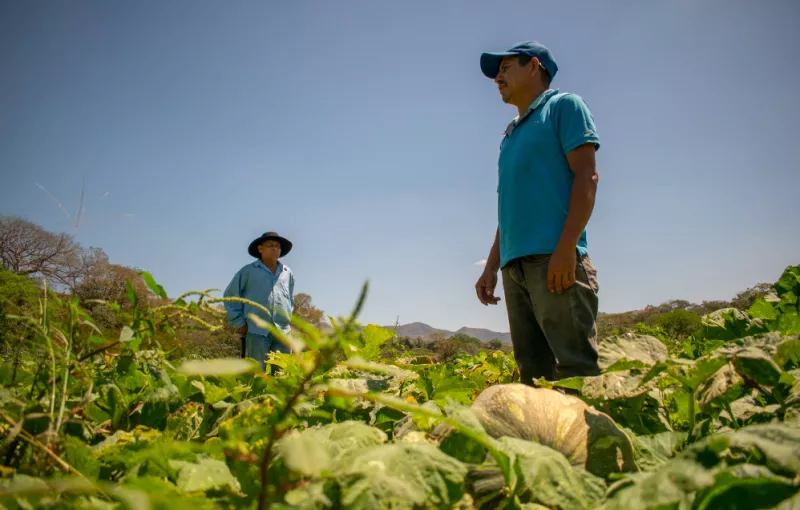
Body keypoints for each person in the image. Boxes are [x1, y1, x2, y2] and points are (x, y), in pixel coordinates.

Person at [474, 41, 602, 385]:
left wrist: (566, 250)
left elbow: (586, 175)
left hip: (553, 260)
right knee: (534, 378)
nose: (497, 77)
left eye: (505, 68)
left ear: (533, 66)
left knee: (575, 371)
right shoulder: (510, 134)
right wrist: (491, 266)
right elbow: (510, 208)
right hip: (514, 268)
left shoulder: (563, 106)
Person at [224, 231, 295, 373]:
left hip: (283, 331)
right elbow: (231, 296)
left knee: (283, 373)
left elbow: (290, 299)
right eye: (270, 245)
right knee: (256, 373)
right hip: (257, 330)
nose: (274, 248)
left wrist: (288, 318)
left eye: (277, 246)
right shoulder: (248, 271)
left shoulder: (287, 272)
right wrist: (238, 322)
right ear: (260, 249)